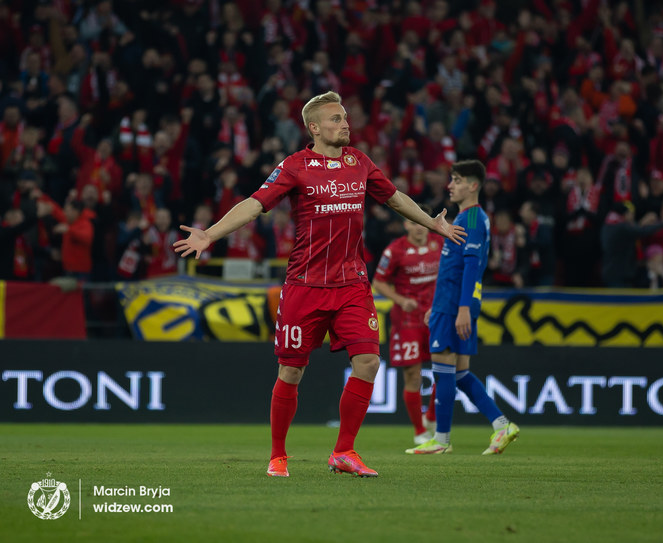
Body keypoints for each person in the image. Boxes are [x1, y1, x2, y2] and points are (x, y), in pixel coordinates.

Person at [173, 91, 465, 478]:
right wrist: (210, 235)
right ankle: (278, 455)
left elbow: (395, 198)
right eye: (335, 119)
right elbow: (255, 203)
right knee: (291, 372)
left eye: (345, 118)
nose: (345, 124)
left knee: (368, 361)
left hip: (352, 284)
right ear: (314, 127)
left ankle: (344, 450)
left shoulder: (358, 162)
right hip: (305, 285)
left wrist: (434, 223)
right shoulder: (295, 166)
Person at [406, 160, 520, 455]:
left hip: (456, 305)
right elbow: (453, 267)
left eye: (456, 180)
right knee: (460, 374)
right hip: (450, 303)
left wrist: (462, 308)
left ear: (472, 186)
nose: (450, 185)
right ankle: (501, 425)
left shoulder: (471, 219)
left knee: (442, 370)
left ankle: (441, 441)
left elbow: (470, 266)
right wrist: (438, 304)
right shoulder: (469, 219)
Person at [372, 203, 442, 447]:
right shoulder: (395, 250)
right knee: (412, 375)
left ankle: (432, 416)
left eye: (423, 221)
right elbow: (378, 282)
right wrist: (402, 300)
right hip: (407, 321)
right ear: (406, 223)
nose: (419, 227)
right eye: (414, 221)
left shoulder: (440, 243)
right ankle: (420, 430)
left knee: (444, 369)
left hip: (436, 316)